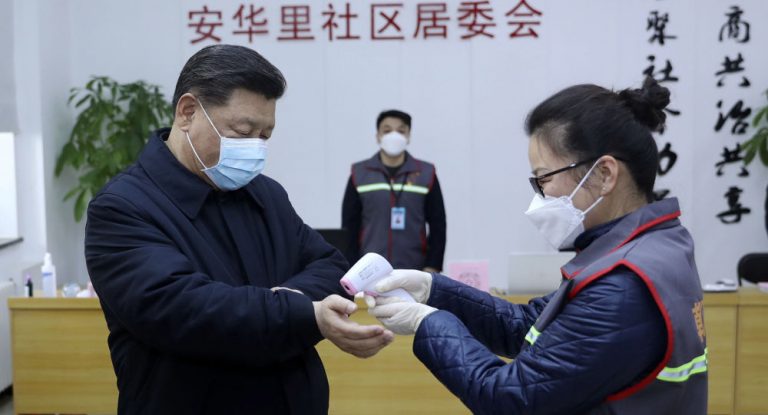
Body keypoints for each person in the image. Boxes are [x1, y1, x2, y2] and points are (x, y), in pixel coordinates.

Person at [366, 78, 708, 414]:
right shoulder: (652, 246)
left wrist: (429, 323)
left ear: (605, 174)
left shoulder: (621, 286)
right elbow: (531, 326)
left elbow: (509, 399)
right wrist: (433, 290)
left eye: (544, 178)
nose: (540, 195)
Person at [84, 45, 393, 414]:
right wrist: (300, 312)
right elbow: (185, 309)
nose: (255, 148)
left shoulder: (265, 194)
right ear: (187, 112)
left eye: (265, 135)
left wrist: (287, 302)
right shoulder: (123, 207)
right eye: (243, 131)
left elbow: (329, 265)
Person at [342, 109, 446, 272]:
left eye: (401, 131)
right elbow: (349, 227)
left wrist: (432, 265)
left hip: (415, 269)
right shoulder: (360, 173)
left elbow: (438, 224)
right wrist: (351, 266)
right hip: (369, 269)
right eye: (387, 130)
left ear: (408, 136)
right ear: (378, 136)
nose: (394, 135)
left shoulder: (426, 173)